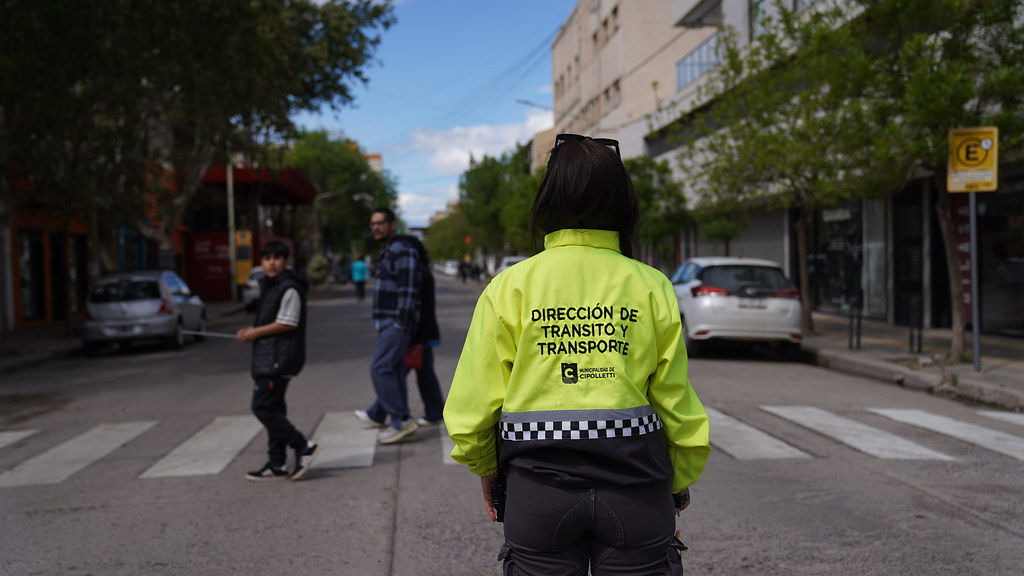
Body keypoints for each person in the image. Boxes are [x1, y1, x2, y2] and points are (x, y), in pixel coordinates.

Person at [443, 134, 711, 575]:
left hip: (537, 493)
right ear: (622, 201)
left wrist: (487, 469)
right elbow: (677, 405)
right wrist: (677, 482)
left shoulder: (509, 286)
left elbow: (471, 412)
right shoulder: (651, 285)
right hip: (637, 493)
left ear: (548, 199)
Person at [236, 240, 321, 481]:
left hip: (278, 358)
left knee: (262, 407)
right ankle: (276, 463)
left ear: (286, 261)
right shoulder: (271, 286)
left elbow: (288, 322)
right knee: (274, 409)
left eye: (277, 258)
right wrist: (251, 330)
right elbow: (272, 319)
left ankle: (304, 446)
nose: (271, 263)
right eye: (267, 258)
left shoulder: (289, 287)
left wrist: (256, 332)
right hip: (269, 356)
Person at [353, 207, 422, 444]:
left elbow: (409, 288)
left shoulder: (402, 250)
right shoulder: (389, 251)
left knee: (380, 368)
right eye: (373, 224)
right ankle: (399, 422)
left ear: (392, 226)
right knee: (393, 371)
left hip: (396, 321)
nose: (376, 228)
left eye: (381, 223)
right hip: (387, 321)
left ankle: (401, 419)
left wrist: (401, 322)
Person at [395, 234, 445, 426]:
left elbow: (418, 307)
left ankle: (381, 411)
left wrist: (413, 335)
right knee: (423, 374)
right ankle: (434, 411)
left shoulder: (416, 272)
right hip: (426, 331)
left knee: (394, 372)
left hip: (420, 333)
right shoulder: (423, 270)